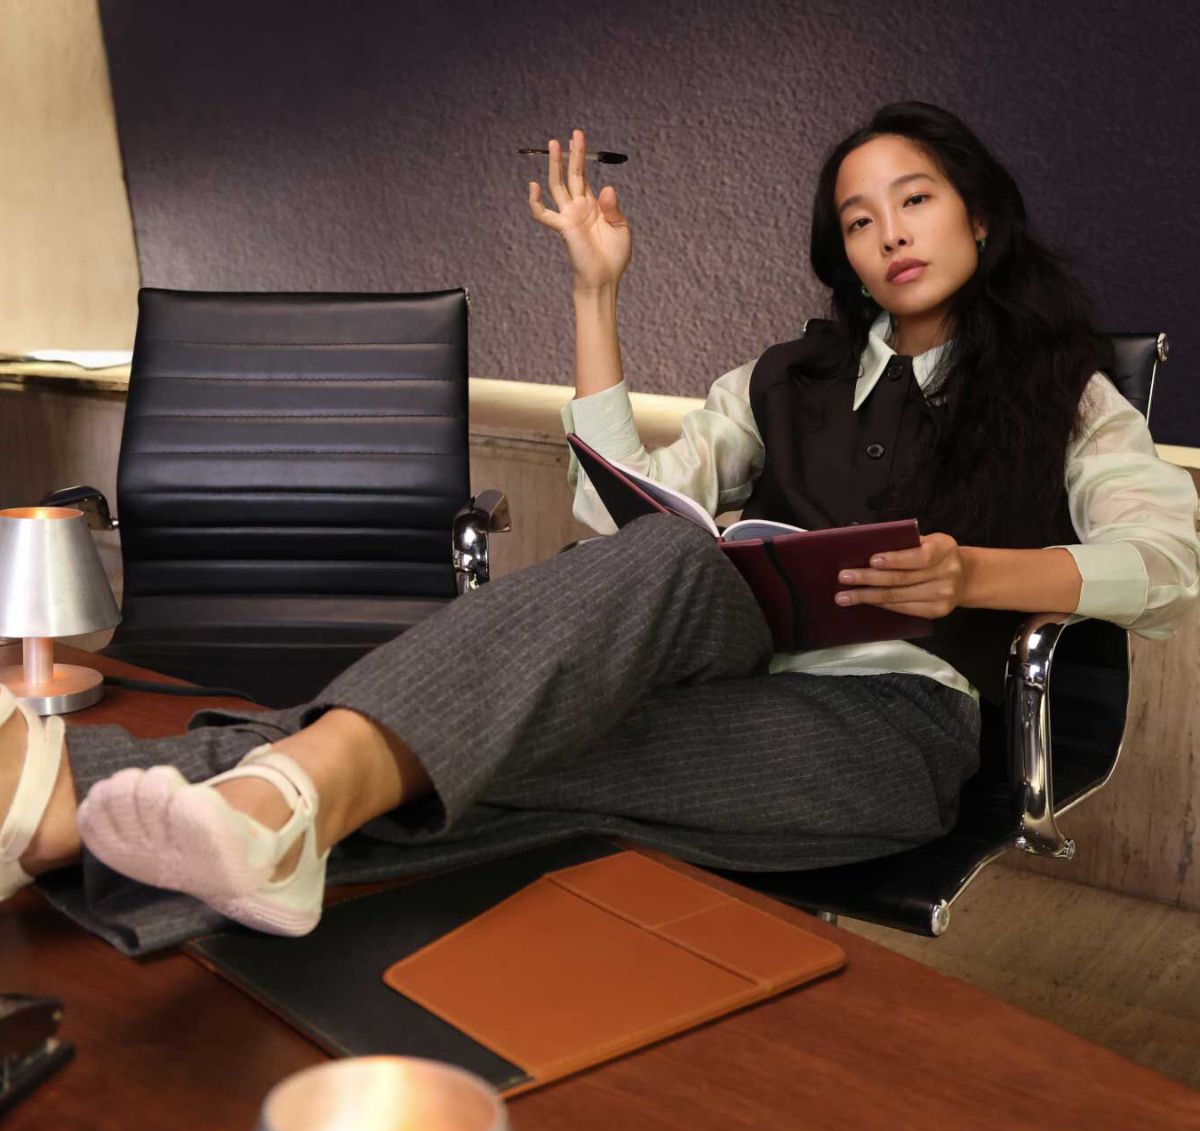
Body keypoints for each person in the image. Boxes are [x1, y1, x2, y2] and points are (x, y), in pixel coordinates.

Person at [2, 102, 1197, 954]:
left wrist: (974, 576)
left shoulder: (1067, 387)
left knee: (498, 750)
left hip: (896, 725)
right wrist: (594, 293)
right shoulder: (783, 378)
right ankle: (250, 813)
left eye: (917, 200)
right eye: (857, 219)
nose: (888, 232)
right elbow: (617, 496)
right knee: (671, 554)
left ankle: (86, 804)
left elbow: (1168, 557)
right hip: (727, 664)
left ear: (979, 217)